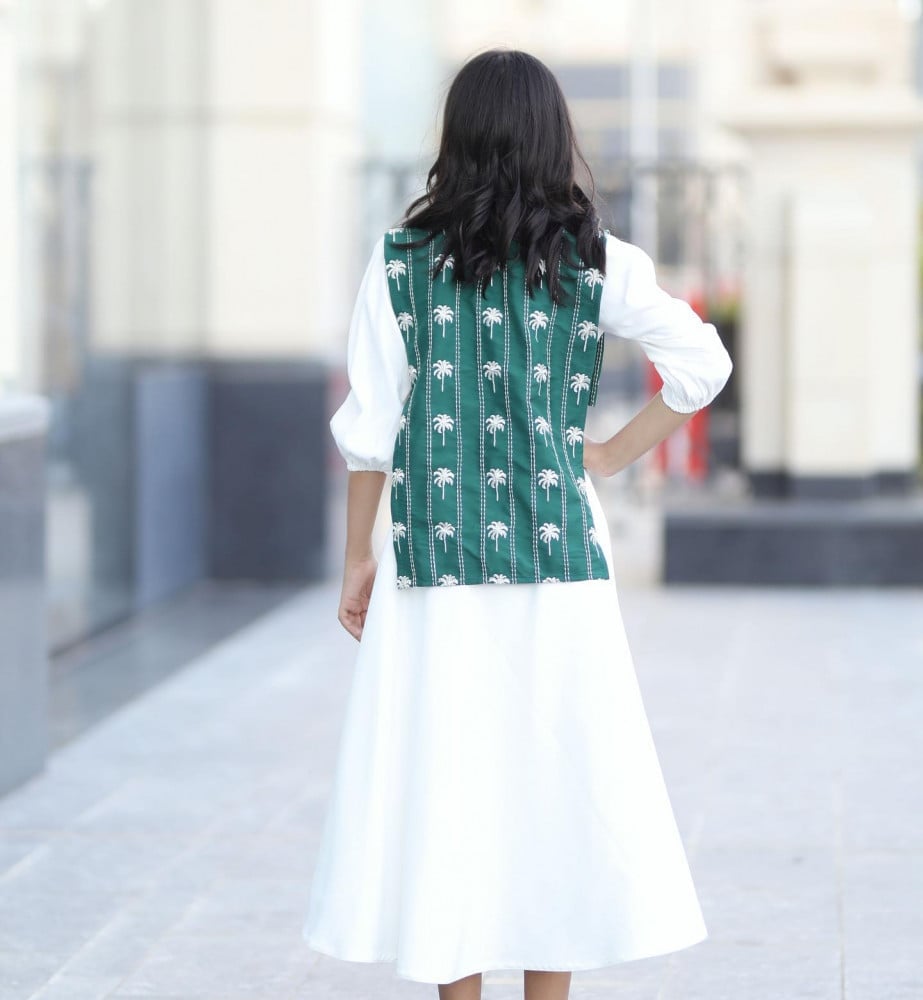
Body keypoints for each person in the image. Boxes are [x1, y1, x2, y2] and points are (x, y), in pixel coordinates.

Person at [302, 48, 733, 1000]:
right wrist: (608, 456)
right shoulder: (595, 260)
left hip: (432, 557)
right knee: (554, 787)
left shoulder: (399, 263)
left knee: (445, 786)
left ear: (455, 137)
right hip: (559, 557)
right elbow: (702, 363)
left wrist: (356, 560)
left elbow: (371, 430)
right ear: (552, 137)